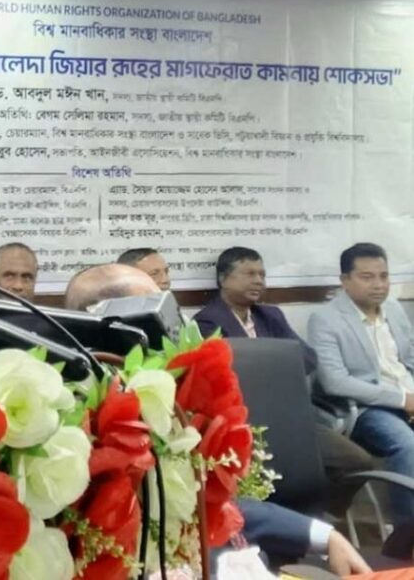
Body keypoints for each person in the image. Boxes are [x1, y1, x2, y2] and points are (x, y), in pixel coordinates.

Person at [65, 264, 371, 576]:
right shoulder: (76, 445)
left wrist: (326, 536)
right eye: (155, 311)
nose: (175, 329)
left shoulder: (180, 410)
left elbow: (223, 507)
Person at [194, 247, 373, 516]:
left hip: (290, 415)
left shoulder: (270, 316)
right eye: (249, 274)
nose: (258, 281)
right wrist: (276, 362)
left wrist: (267, 364)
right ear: (223, 279)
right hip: (244, 421)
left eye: (262, 275)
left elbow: (307, 358)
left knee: (357, 461)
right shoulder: (207, 322)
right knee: (272, 477)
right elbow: (227, 375)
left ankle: (319, 518)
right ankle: (288, 522)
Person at [310, 243, 414, 541]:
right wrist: (402, 400)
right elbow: (336, 382)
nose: (379, 284)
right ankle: (407, 538)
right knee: (407, 445)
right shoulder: (326, 319)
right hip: (365, 408)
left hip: (408, 394)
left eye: (384, 276)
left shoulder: (393, 309)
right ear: (345, 280)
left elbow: (409, 359)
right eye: (367, 277)